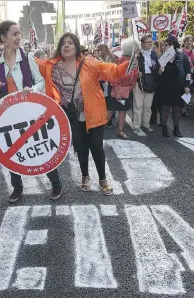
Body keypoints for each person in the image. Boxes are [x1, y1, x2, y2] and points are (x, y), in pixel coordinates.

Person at [39, 32, 130, 196]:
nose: (66, 46)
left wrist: (129, 63)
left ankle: (103, 179)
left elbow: (110, 71)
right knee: (80, 148)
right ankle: (85, 177)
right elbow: (33, 64)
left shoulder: (89, 62)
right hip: (71, 116)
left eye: (70, 43)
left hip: (93, 112)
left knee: (96, 146)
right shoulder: (51, 66)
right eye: (63, 43)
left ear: (76, 46)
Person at [0, 20, 62, 202]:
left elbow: (41, 82)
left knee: (41, 146)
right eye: (14, 34)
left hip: (30, 111)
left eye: (18, 34)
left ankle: (56, 184)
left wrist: (32, 90)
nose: (18, 38)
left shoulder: (27, 57)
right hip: (9, 115)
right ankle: (17, 187)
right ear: (4, 38)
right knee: (11, 150)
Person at [158, 36, 192, 137]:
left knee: (177, 108)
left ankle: (176, 129)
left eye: (166, 45)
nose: (164, 47)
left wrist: (187, 85)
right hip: (165, 86)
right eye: (164, 45)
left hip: (178, 85)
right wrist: (160, 71)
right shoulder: (163, 57)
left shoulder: (182, 56)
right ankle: (164, 128)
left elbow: (188, 72)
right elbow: (158, 73)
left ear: (173, 45)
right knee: (164, 108)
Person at [107, 38, 139, 139]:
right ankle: (96, 129)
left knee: (123, 112)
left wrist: (131, 87)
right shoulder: (119, 61)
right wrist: (117, 92)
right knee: (110, 111)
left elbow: (134, 76)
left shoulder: (134, 61)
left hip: (126, 90)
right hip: (116, 90)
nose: (138, 51)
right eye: (137, 48)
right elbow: (114, 78)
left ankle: (120, 131)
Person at [133, 35, 160, 134]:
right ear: (143, 44)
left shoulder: (153, 54)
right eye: (148, 42)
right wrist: (136, 72)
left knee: (147, 106)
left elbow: (156, 66)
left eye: (151, 42)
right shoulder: (137, 54)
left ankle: (146, 124)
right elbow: (132, 67)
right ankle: (136, 126)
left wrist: (159, 69)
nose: (150, 44)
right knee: (138, 106)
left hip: (150, 81)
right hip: (139, 81)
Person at [179, 35, 194, 117]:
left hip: (191, 74)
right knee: (181, 90)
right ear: (184, 42)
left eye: (190, 41)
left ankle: (185, 108)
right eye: (187, 41)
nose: (189, 42)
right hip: (182, 74)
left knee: (189, 92)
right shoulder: (180, 51)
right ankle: (179, 106)